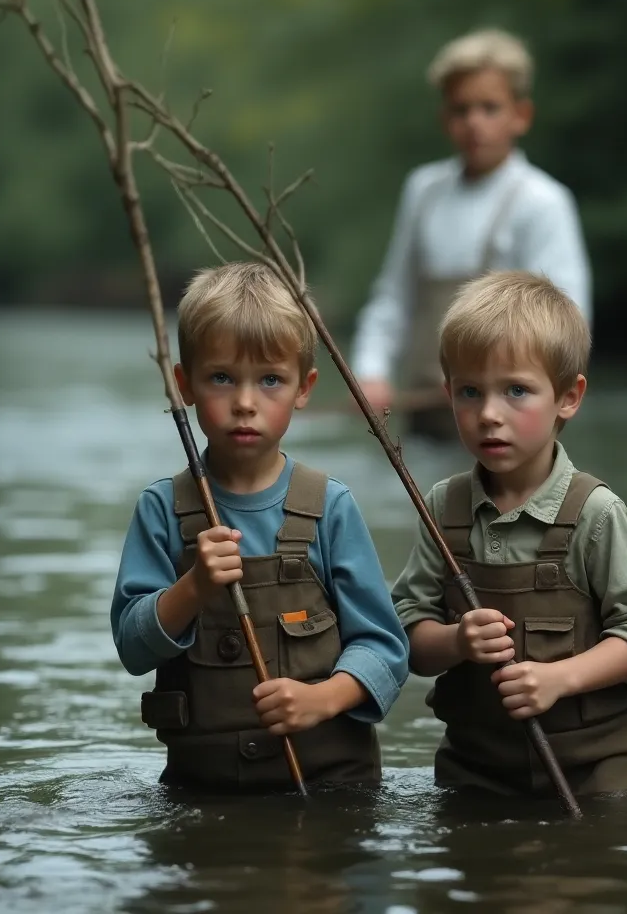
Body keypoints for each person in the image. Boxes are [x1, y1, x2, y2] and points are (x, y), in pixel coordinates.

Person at [111, 261, 409, 791]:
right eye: (221, 378)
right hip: (201, 791)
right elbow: (133, 648)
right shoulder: (161, 509)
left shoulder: (331, 508)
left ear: (304, 387)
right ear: (184, 384)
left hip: (329, 785)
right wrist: (192, 588)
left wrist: (324, 698)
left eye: (270, 380)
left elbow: (384, 647)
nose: (245, 403)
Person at [392, 271, 627, 797]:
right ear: (447, 394)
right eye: (471, 392)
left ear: (569, 397)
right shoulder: (441, 509)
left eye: (516, 391)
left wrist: (559, 679)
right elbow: (408, 634)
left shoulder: (597, 514)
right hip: (474, 770)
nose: (490, 414)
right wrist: (455, 640)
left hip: (596, 773)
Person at [351, 28, 592, 440]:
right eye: (461, 110)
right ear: (445, 119)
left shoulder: (544, 201)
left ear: (521, 115)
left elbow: (570, 324)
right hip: (428, 413)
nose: (474, 123)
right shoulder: (423, 191)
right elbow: (394, 297)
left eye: (489, 108)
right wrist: (370, 372)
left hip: (511, 423)